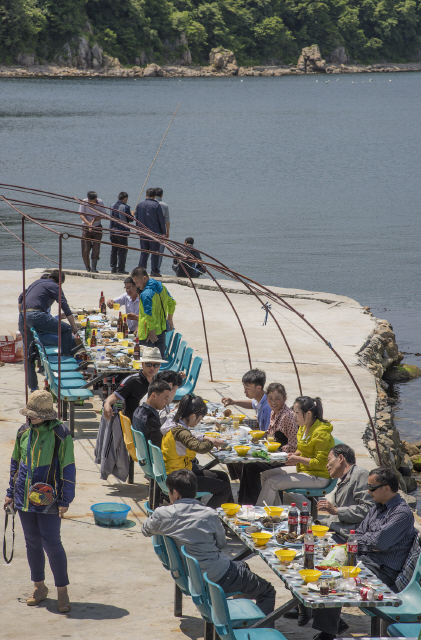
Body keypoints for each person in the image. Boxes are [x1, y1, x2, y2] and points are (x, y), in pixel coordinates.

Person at [142, 469, 276, 618]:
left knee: (243, 567)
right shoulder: (209, 514)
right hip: (217, 575)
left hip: (190, 574)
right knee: (267, 591)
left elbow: (145, 530)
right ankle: (257, 626)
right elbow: (221, 544)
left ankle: (241, 617)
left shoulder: (163, 514)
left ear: (176, 493)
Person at [312, 467, 417, 640]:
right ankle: (330, 626)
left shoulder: (401, 513)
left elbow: (379, 543)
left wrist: (368, 541)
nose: (368, 491)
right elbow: (359, 535)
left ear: (386, 488)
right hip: (364, 561)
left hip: (382, 571)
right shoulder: (377, 507)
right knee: (321, 571)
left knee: (333, 581)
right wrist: (369, 541)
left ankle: (327, 633)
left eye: (372, 487)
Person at [4, 391, 75, 613]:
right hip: (23, 498)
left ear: (46, 415)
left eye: (33, 415)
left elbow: (68, 467)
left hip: (49, 498)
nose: (29, 418)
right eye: (29, 415)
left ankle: (62, 590)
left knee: (52, 544)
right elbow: (15, 462)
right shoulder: (23, 431)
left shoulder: (61, 433)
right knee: (32, 543)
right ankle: (39, 587)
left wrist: (65, 499)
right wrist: (10, 492)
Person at [257, 396, 334, 506]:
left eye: (297, 413)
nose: (294, 416)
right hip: (305, 469)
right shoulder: (303, 427)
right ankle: (274, 513)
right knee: (265, 475)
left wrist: (297, 459)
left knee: (271, 482)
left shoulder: (321, 433)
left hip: (318, 476)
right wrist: (295, 454)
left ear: (308, 414)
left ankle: (261, 515)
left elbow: (322, 463)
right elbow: (305, 449)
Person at [161, 394, 234, 509]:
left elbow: (189, 435)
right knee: (224, 489)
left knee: (223, 476)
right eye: (199, 419)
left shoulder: (173, 423)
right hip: (179, 479)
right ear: (193, 416)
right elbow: (199, 447)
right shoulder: (180, 431)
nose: (199, 422)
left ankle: (229, 512)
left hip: (176, 471)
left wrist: (206, 437)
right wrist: (211, 443)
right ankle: (206, 517)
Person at [235, 383, 298, 505]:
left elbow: (294, 445)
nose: (273, 402)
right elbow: (270, 434)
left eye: (277, 398)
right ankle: (244, 502)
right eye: (270, 398)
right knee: (246, 462)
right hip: (273, 454)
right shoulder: (273, 413)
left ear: (284, 398)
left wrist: (277, 449)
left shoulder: (288, 416)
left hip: (284, 459)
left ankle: (251, 504)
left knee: (252, 466)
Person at [18, 271, 78, 392]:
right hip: (36, 316)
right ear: (60, 282)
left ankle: (34, 389)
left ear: (50, 277)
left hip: (23, 317)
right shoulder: (55, 286)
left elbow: (21, 297)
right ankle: (66, 365)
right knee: (66, 330)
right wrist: (74, 327)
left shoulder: (37, 282)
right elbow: (65, 307)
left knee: (28, 357)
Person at [317, 444, 373, 540]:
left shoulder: (360, 474)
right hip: (335, 532)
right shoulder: (344, 480)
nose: (327, 465)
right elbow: (334, 518)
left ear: (340, 458)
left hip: (348, 537)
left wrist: (336, 510)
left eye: (329, 460)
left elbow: (368, 510)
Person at [103, 346, 166, 422]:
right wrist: (107, 404)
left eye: (156, 365)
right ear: (142, 364)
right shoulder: (132, 381)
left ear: (159, 366)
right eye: (149, 364)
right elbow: (115, 396)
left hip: (152, 421)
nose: (152, 368)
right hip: (136, 425)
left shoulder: (159, 380)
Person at [131, 266, 176, 359]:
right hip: (161, 330)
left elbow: (149, 315)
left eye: (136, 282)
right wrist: (170, 319)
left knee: (147, 362)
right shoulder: (161, 287)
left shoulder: (146, 294)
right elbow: (172, 303)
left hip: (149, 334)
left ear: (144, 278)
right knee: (159, 361)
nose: (136, 285)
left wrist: (151, 332)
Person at [134, 188, 166, 277]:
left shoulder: (140, 205)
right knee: (155, 252)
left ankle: (140, 271)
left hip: (143, 232)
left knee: (144, 252)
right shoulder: (156, 205)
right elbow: (161, 220)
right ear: (154, 196)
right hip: (154, 233)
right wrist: (164, 232)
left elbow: (137, 218)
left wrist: (137, 229)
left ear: (146, 195)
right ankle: (154, 271)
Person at [131, 379, 171, 447]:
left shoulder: (137, 410)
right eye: (165, 398)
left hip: (141, 453)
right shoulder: (150, 418)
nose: (167, 403)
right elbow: (161, 444)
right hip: (153, 456)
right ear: (153, 396)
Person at [78, 190, 106, 273]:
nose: (93, 203)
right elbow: (81, 215)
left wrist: (94, 221)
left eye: (94, 201)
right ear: (88, 199)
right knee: (86, 248)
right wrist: (88, 224)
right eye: (91, 201)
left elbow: (103, 215)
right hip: (86, 227)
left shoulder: (100, 202)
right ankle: (87, 266)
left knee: (96, 248)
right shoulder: (84, 202)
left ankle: (94, 267)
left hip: (97, 227)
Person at [109, 191, 132, 274]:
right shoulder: (125, 207)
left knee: (114, 250)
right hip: (121, 232)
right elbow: (130, 219)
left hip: (112, 231)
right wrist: (132, 214)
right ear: (125, 199)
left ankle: (113, 268)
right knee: (122, 251)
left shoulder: (112, 205)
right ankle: (121, 269)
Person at [155, 188, 170, 272]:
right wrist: (168, 232)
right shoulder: (164, 205)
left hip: (149, 231)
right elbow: (167, 220)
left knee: (147, 251)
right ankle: (156, 269)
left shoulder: (150, 204)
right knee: (160, 252)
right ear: (161, 195)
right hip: (161, 232)